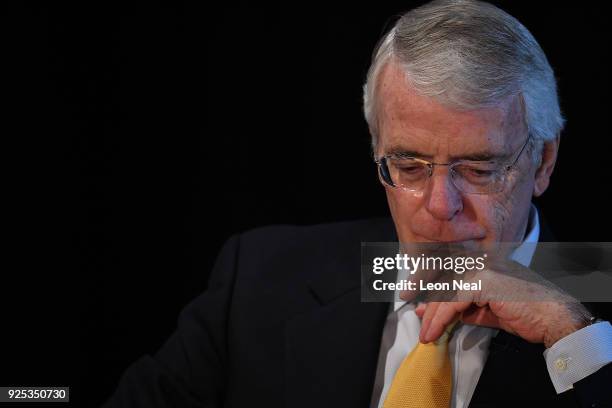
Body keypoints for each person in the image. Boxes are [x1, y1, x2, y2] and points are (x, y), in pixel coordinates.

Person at [103, 1, 612, 407]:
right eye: (409, 167)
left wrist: (575, 340)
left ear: (544, 161)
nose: (440, 205)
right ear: (376, 150)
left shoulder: (591, 307)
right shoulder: (261, 278)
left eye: (479, 169)